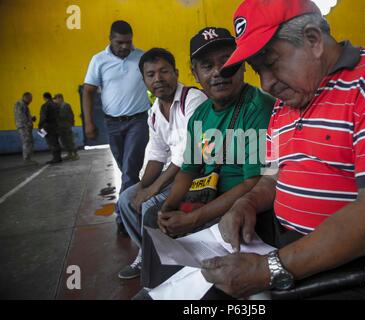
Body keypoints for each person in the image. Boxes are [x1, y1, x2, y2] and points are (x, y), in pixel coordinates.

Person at [200, 0, 365, 300]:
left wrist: (268, 270)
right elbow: (271, 177)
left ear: (313, 40)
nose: (266, 83)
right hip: (290, 245)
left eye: (270, 63)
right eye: (257, 70)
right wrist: (246, 203)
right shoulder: (286, 102)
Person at [134, 27, 276, 299]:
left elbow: (253, 183)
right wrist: (169, 208)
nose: (218, 72)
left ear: (242, 64)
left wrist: (192, 218)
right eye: (207, 66)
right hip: (207, 205)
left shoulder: (257, 107)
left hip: (243, 214)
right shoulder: (200, 114)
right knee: (155, 218)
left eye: (227, 61)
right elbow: (189, 170)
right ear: (194, 73)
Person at [117, 48, 207, 279]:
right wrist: (140, 187)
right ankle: (147, 253)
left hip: (198, 173)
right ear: (144, 80)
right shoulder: (154, 112)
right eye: (151, 74)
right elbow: (157, 154)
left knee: (150, 206)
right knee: (126, 199)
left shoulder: (193, 99)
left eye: (164, 71)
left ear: (175, 73)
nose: (158, 79)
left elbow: (190, 153)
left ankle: (160, 264)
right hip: (173, 173)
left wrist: (152, 190)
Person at [83, 20, 150, 234]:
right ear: (110, 39)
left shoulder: (141, 57)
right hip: (112, 123)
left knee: (129, 168)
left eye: (128, 42)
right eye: (120, 42)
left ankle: (123, 219)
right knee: (125, 169)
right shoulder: (98, 61)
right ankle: (140, 201)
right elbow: (88, 91)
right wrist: (89, 123)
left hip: (138, 121)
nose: (124, 47)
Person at [53, 94, 79, 161]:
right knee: (64, 141)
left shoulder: (65, 105)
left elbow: (64, 115)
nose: (55, 100)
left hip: (66, 126)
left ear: (60, 98)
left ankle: (75, 154)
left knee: (69, 140)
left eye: (56, 99)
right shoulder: (59, 106)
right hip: (61, 127)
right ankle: (69, 154)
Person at [39, 92, 62, 164]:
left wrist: (40, 126)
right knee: (56, 142)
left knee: (51, 142)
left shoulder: (45, 105)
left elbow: (43, 117)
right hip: (56, 126)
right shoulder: (56, 105)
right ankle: (58, 157)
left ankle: (55, 158)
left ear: (44, 98)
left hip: (48, 127)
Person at [14, 92, 37, 165]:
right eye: (30, 99)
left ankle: (28, 159)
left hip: (25, 127)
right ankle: (27, 160)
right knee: (27, 142)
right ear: (26, 97)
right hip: (24, 127)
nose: (31, 101)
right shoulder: (20, 104)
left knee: (29, 142)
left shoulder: (24, 105)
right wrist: (28, 124)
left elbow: (25, 116)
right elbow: (21, 117)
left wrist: (31, 118)